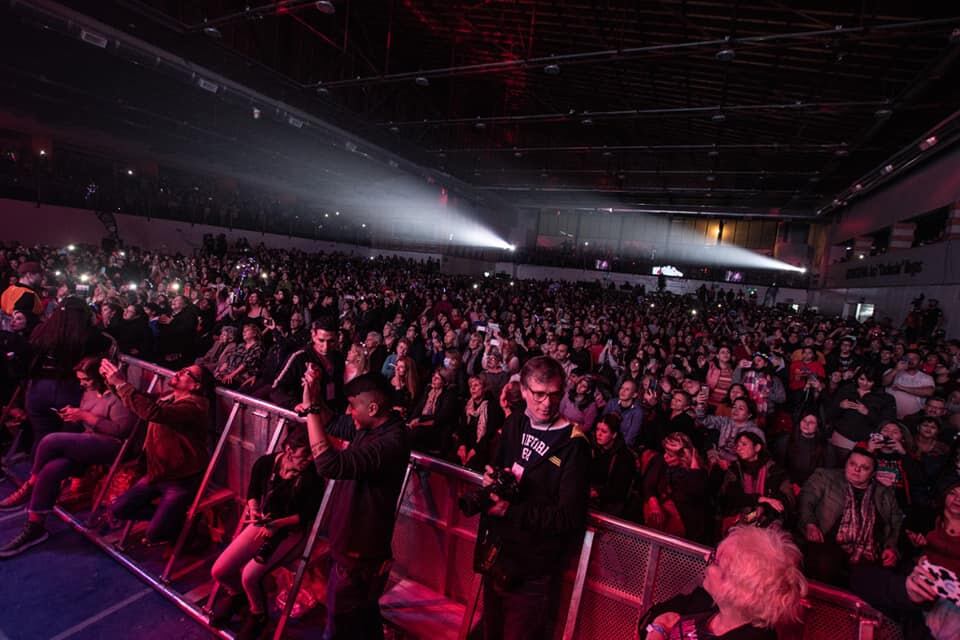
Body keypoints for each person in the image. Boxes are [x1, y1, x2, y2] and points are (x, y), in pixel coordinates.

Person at [478, 355, 591, 640]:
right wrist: (491, 480)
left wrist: (512, 511)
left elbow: (569, 516)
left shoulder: (574, 444)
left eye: (554, 395)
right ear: (525, 391)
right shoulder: (516, 423)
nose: (546, 403)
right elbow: (501, 466)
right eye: (539, 395)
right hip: (500, 551)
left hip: (534, 565)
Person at [298, 369, 411, 640]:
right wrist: (312, 396)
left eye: (353, 406)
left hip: (359, 552)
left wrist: (311, 411)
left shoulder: (391, 442)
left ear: (372, 407)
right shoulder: (371, 426)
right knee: (362, 619)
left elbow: (327, 464)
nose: (349, 412)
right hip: (352, 546)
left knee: (340, 626)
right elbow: (333, 422)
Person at [0, 357, 136, 556]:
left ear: (101, 378)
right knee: (51, 469)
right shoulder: (89, 392)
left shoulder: (120, 397)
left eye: (86, 380)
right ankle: (35, 526)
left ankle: (30, 484)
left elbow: (121, 431)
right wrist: (73, 416)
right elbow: (84, 420)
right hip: (89, 442)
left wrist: (85, 416)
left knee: (51, 440)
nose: (82, 384)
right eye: (80, 379)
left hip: (113, 447)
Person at [209, 429, 323, 639]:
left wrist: (277, 524)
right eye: (305, 454)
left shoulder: (312, 476)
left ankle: (258, 615)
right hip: (264, 523)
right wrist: (253, 510)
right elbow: (253, 492)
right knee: (220, 571)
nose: (310, 459)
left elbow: (307, 516)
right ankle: (238, 596)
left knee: (250, 575)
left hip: (290, 530)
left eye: (312, 454)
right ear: (289, 450)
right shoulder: (266, 463)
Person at [100, 359, 212, 545]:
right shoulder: (170, 396)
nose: (179, 372)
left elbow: (154, 413)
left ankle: (175, 526)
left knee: (154, 536)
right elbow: (141, 402)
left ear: (195, 386)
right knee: (118, 510)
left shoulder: (195, 407)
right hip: (157, 473)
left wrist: (121, 383)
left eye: (186, 373)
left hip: (180, 478)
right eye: (182, 368)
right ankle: (173, 520)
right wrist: (112, 383)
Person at [638, 527, 807, 640]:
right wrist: (658, 626)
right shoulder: (706, 600)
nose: (706, 559)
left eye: (715, 560)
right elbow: (647, 619)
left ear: (736, 590)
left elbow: (657, 621)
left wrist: (660, 628)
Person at [797, 445, 903, 586]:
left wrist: (891, 547)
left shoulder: (884, 493)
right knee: (826, 562)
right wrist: (810, 523)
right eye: (852, 464)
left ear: (873, 473)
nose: (856, 470)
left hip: (868, 551)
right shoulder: (826, 478)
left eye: (864, 468)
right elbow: (806, 499)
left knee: (881, 579)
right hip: (827, 545)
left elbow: (896, 521)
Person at [24, 297, 113, 454]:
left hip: (38, 389)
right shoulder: (88, 336)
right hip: (69, 388)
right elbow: (106, 342)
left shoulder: (41, 330)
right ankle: (54, 475)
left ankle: (34, 474)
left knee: (42, 438)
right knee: (65, 441)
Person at [716, 432, 793, 536]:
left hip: (769, 519)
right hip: (741, 519)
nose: (739, 448)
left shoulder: (775, 471)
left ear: (757, 448)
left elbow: (786, 500)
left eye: (744, 444)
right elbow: (730, 498)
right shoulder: (734, 470)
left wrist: (763, 508)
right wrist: (762, 499)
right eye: (737, 445)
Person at [588, 414, 635, 517]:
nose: (598, 434)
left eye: (604, 432)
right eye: (597, 430)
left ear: (614, 435)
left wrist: (597, 492)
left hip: (609, 504)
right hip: (590, 494)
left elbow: (619, 490)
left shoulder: (624, 457)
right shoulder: (593, 448)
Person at [887, 350, 936, 419]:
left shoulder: (926, 377)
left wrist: (902, 388)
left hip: (913, 417)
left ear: (921, 362)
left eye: (914, 358)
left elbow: (929, 392)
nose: (910, 360)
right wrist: (896, 370)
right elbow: (884, 382)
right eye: (908, 358)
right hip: (889, 414)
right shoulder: (892, 371)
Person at [0, 260, 44, 330]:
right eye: (40, 275)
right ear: (29, 275)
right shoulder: (29, 294)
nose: (42, 278)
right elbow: (22, 323)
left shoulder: (8, 290)